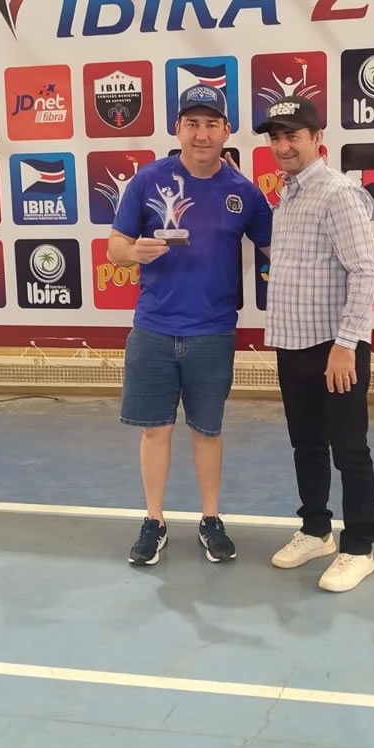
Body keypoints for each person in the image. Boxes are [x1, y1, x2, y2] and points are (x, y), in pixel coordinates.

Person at [108, 84, 272, 567]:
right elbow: (115, 247)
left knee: (208, 431)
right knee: (154, 431)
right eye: (192, 124)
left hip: (213, 332)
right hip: (154, 329)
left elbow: (276, 249)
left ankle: (210, 519)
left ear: (226, 130)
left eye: (211, 124)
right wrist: (133, 251)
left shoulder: (244, 192)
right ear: (178, 128)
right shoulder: (148, 180)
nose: (202, 134)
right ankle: (154, 521)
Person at [255, 96, 374, 593]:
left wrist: (346, 344)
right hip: (293, 344)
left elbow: (367, 272)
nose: (283, 145)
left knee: (349, 450)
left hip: (335, 348)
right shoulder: (288, 194)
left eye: (293, 135)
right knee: (306, 444)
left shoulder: (338, 193)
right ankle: (316, 530)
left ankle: (360, 547)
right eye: (276, 137)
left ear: (316, 139)